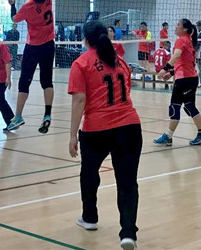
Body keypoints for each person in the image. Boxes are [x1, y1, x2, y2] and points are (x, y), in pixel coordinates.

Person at [68, 21, 142, 250]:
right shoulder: (120, 61)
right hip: (129, 126)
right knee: (127, 182)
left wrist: (72, 135)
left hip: (97, 129)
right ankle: (128, 234)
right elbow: (126, 90)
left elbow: (79, 100)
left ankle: (89, 217)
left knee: (89, 174)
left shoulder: (81, 63)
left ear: (85, 39)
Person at [6, 0, 56, 133]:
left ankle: (18, 116)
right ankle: (47, 114)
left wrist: (12, 5)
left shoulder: (27, 7)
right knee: (47, 81)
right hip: (49, 45)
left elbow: (14, 19)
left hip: (33, 47)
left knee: (24, 82)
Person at [154, 19, 201, 146]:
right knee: (177, 106)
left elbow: (177, 55)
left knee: (186, 106)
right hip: (186, 78)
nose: (176, 27)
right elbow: (185, 62)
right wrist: (172, 73)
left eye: (178, 25)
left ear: (185, 29)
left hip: (186, 79)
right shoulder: (188, 41)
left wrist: (164, 69)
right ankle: (169, 136)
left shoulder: (182, 40)